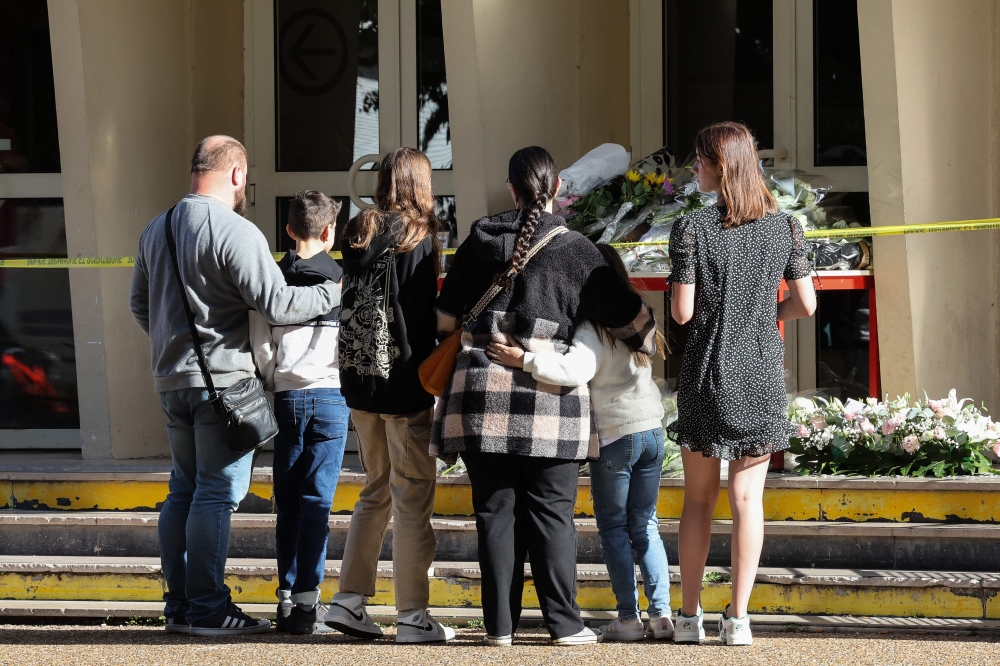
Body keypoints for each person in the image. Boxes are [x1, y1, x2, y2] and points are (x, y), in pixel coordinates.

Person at [431, 146, 658, 647]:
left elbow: (446, 320)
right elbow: (631, 319)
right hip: (550, 401)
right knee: (551, 513)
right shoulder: (577, 249)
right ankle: (564, 624)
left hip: (478, 397)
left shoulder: (477, 238)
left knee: (494, 512)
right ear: (556, 189)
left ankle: (500, 629)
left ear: (511, 190)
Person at [129, 136, 342, 636]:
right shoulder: (237, 231)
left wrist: (176, 344)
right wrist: (336, 291)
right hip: (223, 386)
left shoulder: (154, 230)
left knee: (182, 489)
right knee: (215, 493)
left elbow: (140, 306)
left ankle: (179, 605)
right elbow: (280, 305)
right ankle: (208, 608)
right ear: (238, 175)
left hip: (171, 380)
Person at [667, 121, 816, 646]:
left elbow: (682, 314)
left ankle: (689, 617)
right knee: (747, 501)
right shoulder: (786, 228)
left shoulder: (692, 230)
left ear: (718, 165)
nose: (694, 169)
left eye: (699, 161)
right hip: (760, 377)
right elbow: (807, 303)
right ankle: (740, 619)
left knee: (698, 502)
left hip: (707, 374)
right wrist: (765, 312)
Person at [485, 243, 672, 643]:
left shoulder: (593, 327)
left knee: (614, 528)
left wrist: (523, 361)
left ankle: (628, 618)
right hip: (652, 430)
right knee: (646, 524)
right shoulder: (639, 316)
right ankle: (662, 613)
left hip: (616, 436)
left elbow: (574, 370)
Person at [323, 147, 453, 644]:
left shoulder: (359, 230)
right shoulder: (418, 237)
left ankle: (350, 600)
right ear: (420, 183)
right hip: (404, 383)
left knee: (375, 489)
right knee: (413, 498)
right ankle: (413, 617)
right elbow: (423, 316)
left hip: (359, 382)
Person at [249, 190, 347, 635]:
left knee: (287, 503)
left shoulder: (272, 281)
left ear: (287, 231)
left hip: (286, 400)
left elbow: (261, 346)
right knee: (317, 503)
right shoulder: (342, 281)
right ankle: (308, 602)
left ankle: (286, 600)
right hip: (331, 399)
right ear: (330, 231)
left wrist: (277, 378)